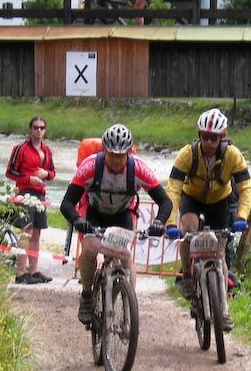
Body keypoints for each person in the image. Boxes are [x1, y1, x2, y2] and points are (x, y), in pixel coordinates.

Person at [60, 123, 172, 325]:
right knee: (90, 248)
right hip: (94, 213)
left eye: (121, 155)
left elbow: (165, 201)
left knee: (125, 257)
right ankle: (87, 294)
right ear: (104, 151)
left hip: (122, 214)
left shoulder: (139, 169)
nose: (117, 160)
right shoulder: (90, 166)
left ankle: (130, 305)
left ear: (129, 153)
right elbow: (67, 203)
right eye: (112, 155)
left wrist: (159, 221)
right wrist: (77, 220)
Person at [166, 108, 251, 332]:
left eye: (214, 138)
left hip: (220, 201)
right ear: (199, 135)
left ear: (222, 137)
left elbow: (245, 188)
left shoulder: (233, 155)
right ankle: (187, 275)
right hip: (192, 198)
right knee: (188, 230)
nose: (209, 142)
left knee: (220, 256)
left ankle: (223, 311)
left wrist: (242, 216)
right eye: (205, 137)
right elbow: (173, 189)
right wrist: (171, 223)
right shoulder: (187, 154)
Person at [6, 116, 56, 285]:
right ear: (30, 129)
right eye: (36, 127)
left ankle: (33, 271)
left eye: (42, 128)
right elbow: (10, 172)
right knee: (26, 231)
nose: (39, 131)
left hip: (40, 194)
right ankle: (21, 272)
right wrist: (29, 179)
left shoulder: (47, 150)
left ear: (45, 130)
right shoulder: (20, 149)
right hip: (25, 193)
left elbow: (53, 173)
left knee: (37, 233)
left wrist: (46, 174)